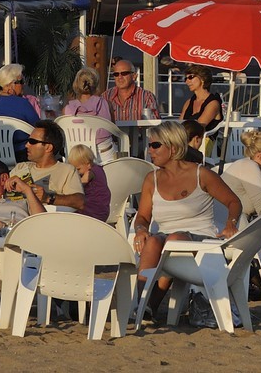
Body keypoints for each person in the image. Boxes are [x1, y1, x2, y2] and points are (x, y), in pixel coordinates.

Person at [133, 120, 241, 318]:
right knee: (154, 240)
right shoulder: (152, 179)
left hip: (200, 240)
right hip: (167, 243)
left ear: (173, 148)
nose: (150, 150)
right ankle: (142, 304)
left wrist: (230, 224)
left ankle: (149, 303)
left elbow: (234, 202)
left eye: (155, 145)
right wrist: (140, 229)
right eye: (149, 145)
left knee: (171, 240)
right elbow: (142, 216)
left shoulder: (201, 174)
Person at [9, 123, 85, 213]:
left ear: (48, 147)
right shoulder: (20, 167)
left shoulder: (66, 170)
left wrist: (48, 198)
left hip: (41, 220)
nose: (26, 145)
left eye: (32, 141)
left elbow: (80, 202)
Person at [0, 63, 43, 159]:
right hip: (22, 153)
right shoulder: (22, 103)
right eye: (21, 81)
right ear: (10, 84)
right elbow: (38, 126)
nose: (24, 84)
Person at [60, 66, 117, 158]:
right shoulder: (106, 104)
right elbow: (114, 130)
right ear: (96, 84)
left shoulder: (66, 110)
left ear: (76, 85)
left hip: (76, 156)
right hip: (105, 156)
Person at [66, 143, 111, 222]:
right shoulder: (98, 169)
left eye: (78, 169)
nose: (76, 172)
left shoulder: (90, 172)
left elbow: (82, 183)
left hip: (93, 211)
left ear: (88, 164)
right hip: (102, 210)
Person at [105, 57, 158, 123]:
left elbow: (155, 125)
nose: (120, 77)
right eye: (116, 74)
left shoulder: (146, 97)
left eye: (124, 73)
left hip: (139, 133)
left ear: (134, 76)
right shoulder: (106, 96)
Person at [178, 65, 222, 134]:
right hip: (186, 139)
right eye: (185, 78)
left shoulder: (213, 103)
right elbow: (179, 124)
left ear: (202, 79)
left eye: (190, 77)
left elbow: (198, 128)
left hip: (205, 141)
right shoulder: (189, 102)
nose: (187, 81)